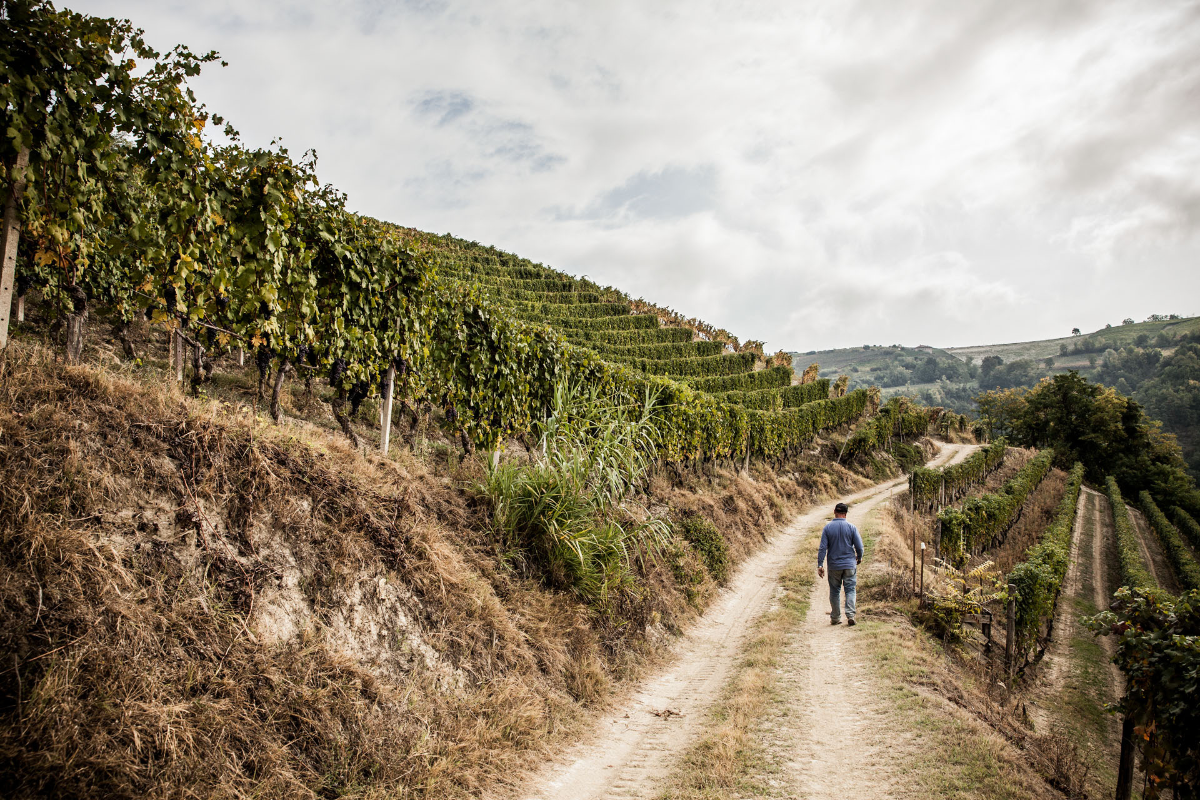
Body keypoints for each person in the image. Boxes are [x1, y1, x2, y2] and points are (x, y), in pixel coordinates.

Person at [817, 502, 863, 626]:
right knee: (850, 590)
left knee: (834, 591)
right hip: (849, 564)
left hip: (834, 565)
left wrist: (820, 565)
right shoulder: (852, 527)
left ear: (834, 512)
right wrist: (859, 557)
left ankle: (836, 617)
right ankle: (850, 615)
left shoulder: (827, 528)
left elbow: (822, 548)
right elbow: (859, 547)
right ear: (846, 514)